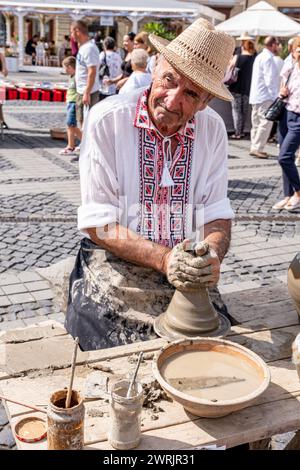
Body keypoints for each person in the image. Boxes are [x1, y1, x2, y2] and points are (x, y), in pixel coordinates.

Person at [65, 19, 235, 351]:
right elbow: (99, 224)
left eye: (190, 93)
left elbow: (216, 214)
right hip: (113, 259)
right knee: (117, 351)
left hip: (182, 266)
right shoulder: (107, 120)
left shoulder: (213, 130)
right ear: (155, 67)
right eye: (169, 79)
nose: (172, 101)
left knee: (208, 345)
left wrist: (212, 252)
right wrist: (163, 259)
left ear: (205, 102)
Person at [272, 37, 300, 211]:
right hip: (286, 114)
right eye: (299, 48)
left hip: (299, 117)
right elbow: (282, 87)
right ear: (294, 50)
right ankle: (288, 195)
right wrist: (282, 91)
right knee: (285, 158)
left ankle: (298, 192)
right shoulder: (290, 66)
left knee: (284, 156)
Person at [249, 36, 280, 158]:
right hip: (265, 96)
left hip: (256, 95)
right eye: (277, 44)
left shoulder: (260, 57)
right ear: (273, 45)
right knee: (265, 122)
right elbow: (270, 80)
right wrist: (275, 97)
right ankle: (258, 147)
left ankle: (254, 146)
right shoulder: (268, 58)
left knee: (256, 122)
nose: (278, 46)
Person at [70, 20, 100, 133]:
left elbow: (92, 71)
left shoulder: (89, 48)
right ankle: (85, 144)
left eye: (72, 32)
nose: (71, 36)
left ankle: (88, 145)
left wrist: (87, 92)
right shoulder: (84, 47)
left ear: (77, 31)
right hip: (83, 90)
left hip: (88, 92)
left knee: (88, 122)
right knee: (82, 120)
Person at [228, 35, 256, 139]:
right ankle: (242, 131)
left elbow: (230, 68)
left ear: (243, 45)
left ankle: (237, 133)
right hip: (248, 88)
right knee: (244, 112)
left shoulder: (238, 57)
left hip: (236, 87)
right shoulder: (254, 58)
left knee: (236, 111)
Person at [59, 56, 82, 156]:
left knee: (70, 124)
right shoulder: (72, 77)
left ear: (69, 67)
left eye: (64, 67)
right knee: (70, 125)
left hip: (74, 102)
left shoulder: (77, 77)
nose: (64, 70)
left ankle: (72, 145)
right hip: (70, 102)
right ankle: (80, 143)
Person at [0, 51, 8, 129]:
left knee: (0, 102)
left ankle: (2, 121)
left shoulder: (1, 55)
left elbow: (4, 73)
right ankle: (2, 121)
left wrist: (4, 68)